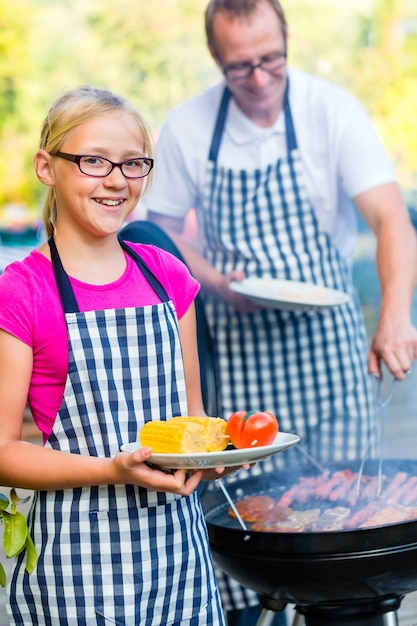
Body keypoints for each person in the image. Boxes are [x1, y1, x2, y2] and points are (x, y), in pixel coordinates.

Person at [139, 0, 417, 623]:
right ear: (217, 60)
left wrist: (395, 314)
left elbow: (391, 220)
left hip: (333, 359)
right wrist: (212, 279)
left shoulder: (329, 109)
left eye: (272, 61)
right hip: (242, 357)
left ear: (287, 43)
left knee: (348, 539)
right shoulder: (189, 127)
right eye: (241, 69)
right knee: (250, 532)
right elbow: (156, 235)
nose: (260, 80)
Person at [0, 85, 230, 625]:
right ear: (46, 167)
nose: (115, 180)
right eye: (93, 160)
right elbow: (3, 449)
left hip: (179, 558)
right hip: (78, 569)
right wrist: (113, 468)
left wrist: (215, 455)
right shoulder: (22, 291)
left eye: (132, 164)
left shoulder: (167, 277)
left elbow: (192, 420)